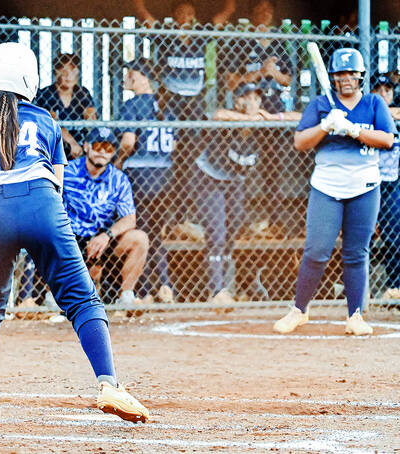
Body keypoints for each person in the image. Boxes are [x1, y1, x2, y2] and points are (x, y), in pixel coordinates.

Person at [0, 42, 149, 426]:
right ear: (30, 81)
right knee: (81, 300)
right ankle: (109, 384)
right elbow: (55, 186)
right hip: (43, 205)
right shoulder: (45, 119)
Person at [273, 49, 396, 335]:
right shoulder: (320, 105)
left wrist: (352, 129)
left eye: (352, 73)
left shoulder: (373, 103)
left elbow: (387, 139)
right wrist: (325, 125)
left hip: (364, 188)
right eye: (340, 74)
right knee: (316, 250)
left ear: (360, 76)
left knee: (356, 253)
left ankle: (355, 315)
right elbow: (301, 142)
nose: (346, 78)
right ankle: (299, 310)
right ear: (333, 77)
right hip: (326, 188)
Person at [194, 82, 275, 303]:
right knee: (217, 231)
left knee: (233, 229)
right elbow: (217, 114)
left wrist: (269, 118)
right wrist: (250, 118)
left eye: (256, 98)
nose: (251, 102)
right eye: (245, 98)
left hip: (235, 182)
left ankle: (224, 285)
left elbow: (296, 117)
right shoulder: (228, 119)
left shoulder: (262, 127)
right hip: (210, 178)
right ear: (236, 101)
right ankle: (217, 290)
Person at [63, 127, 149, 305]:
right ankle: (52, 297)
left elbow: (129, 219)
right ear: (86, 146)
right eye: (98, 146)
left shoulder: (119, 179)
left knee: (139, 238)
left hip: (103, 240)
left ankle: (126, 297)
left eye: (109, 148)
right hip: (71, 238)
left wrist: (107, 236)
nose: (103, 152)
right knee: (50, 238)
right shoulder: (67, 172)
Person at [114, 58, 175, 303]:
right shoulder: (166, 107)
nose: (127, 77)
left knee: (141, 232)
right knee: (155, 232)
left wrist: (118, 161)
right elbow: (175, 145)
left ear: (143, 78)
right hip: (163, 178)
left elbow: (128, 142)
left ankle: (145, 290)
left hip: (139, 177)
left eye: (132, 73)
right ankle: (164, 284)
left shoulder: (132, 105)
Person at [35, 53, 97, 160]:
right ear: (56, 72)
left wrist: (87, 143)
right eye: (64, 72)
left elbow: (91, 119)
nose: (69, 76)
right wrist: (72, 143)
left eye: (73, 71)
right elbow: (53, 123)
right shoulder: (46, 94)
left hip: (81, 146)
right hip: (54, 147)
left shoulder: (82, 92)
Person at [371, 75, 400, 299]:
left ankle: (393, 286)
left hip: (391, 184)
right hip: (366, 181)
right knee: (359, 234)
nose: (383, 93)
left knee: (393, 234)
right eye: (378, 89)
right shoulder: (366, 112)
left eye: (387, 90)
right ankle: (345, 285)